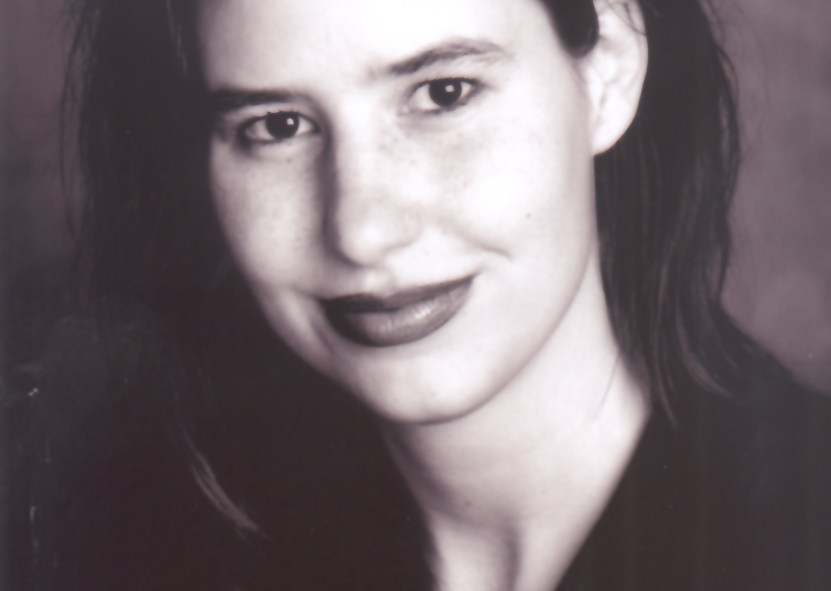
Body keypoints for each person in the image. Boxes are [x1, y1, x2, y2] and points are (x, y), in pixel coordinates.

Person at [6, 0, 830, 589]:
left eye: (443, 94)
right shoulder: (121, 545)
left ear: (606, 69)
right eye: (277, 125)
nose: (361, 230)